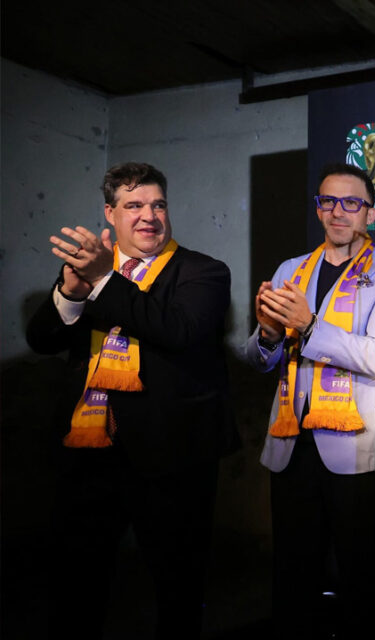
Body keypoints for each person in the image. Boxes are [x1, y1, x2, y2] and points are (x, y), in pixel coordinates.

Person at [26, 162, 235, 638]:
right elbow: (41, 340)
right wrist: (71, 293)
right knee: (77, 587)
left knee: (178, 590)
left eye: (158, 205)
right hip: (91, 454)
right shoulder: (92, 270)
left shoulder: (204, 271)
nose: (149, 216)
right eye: (134, 205)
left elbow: (178, 331)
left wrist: (104, 280)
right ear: (110, 213)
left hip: (173, 458)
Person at [243, 162, 375, 638]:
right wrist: (269, 334)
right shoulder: (291, 269)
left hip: (354, 446)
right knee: (292, 573)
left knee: (360, 571)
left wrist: (310, 326)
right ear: (318, 209)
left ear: (371, 213)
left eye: (351, 203)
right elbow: (259, 360)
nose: (339, 212)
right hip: (291, 442)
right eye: (328, 201)